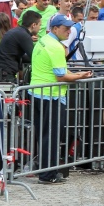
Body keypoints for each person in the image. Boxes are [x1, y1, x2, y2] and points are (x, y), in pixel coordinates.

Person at [31, 15, 93, 184]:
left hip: (38, 93)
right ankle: (48, 175)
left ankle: (44, 171)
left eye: (69, 28)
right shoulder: (55, 46)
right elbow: (61, 76)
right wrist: (80, 75)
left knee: (44, 135)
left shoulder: (44, 40)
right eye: (65, 28)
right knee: (50, 136)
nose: (69, 31)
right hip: (50, 96)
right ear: (55, 29)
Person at [0, 11, 41, 83]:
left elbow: (24, 57)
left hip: (4, 71)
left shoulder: (18, 31)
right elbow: (34, 57)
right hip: (5, 73)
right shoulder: (24, 35)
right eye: (40, 25)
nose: (40, 28)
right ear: (33, 25)